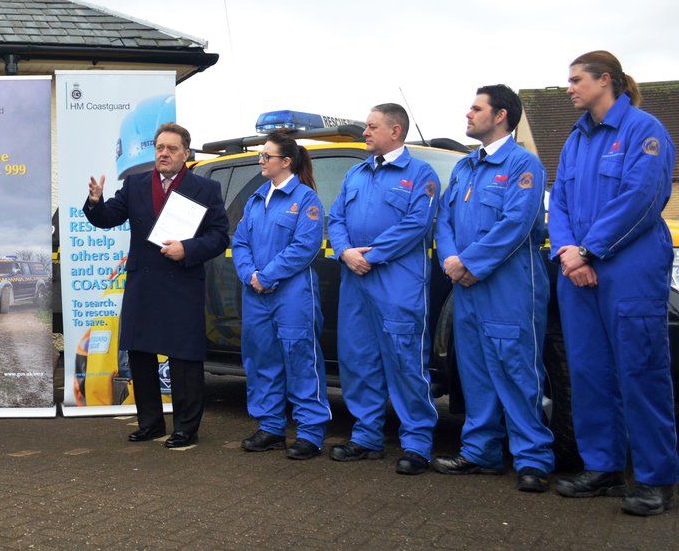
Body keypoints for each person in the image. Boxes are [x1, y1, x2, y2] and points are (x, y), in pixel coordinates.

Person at [549, 51, 679, 516]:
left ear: (606, 80)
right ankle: (602, 468)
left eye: (576, 79)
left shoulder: (644, 131)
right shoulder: (575, 140)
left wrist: (589, 250)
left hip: (629, 268)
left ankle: (656, 479)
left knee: (641, 373)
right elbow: (558, 200)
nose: (568, 88)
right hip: (577, 271)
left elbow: (642, 200)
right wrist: (567, 251)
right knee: (588, 373)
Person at [431, 85, 553, 493]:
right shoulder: (465, 167)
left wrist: (470, 262)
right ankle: (480, 452)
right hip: (466, 287)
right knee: (476, 371)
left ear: (501, 115)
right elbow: (444, 221)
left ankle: (533, 458)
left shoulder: (525, 165)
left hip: (509, 285)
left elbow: (516, 225)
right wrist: (452, 261)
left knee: (517, 371)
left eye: (476, 108)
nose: (468, 114)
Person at [84, 122, 229, 448]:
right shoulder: (134, 184)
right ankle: (150, 424)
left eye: (171, 149)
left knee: (184, 360)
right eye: (160, 148)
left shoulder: (205, 189)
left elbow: (220, 236)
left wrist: (187, 249)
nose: (164, 153)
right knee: (140, 354)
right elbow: (107, 218)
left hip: (183, 282)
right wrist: (95, 201)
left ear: (185, 153)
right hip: (144, 282)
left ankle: (185, 429)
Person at [326, 103, 440, 475]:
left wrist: (370, 256)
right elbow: (336, 217)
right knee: (358, 359)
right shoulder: (356, 174)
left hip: (397, 281)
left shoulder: (420, 173)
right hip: (356, 281)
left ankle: (417, 443)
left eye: (372, 127)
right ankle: (367, 437)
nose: (365, 133)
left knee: (406, 360)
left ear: (396, 131)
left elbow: (416, 224)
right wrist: (344, 251)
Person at [231, 132, 331, 459]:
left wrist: (268, 276)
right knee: (261, 358)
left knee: (300, 358)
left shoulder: (305, 200)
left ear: (285, 162)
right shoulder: (257, 198)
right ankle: (271, 427)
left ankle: (310, 433)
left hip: (292, 294)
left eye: (266, 156)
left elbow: (304, 247)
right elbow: (241, 242)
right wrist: (251, 276)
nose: (261, 161)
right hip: (257, 293)